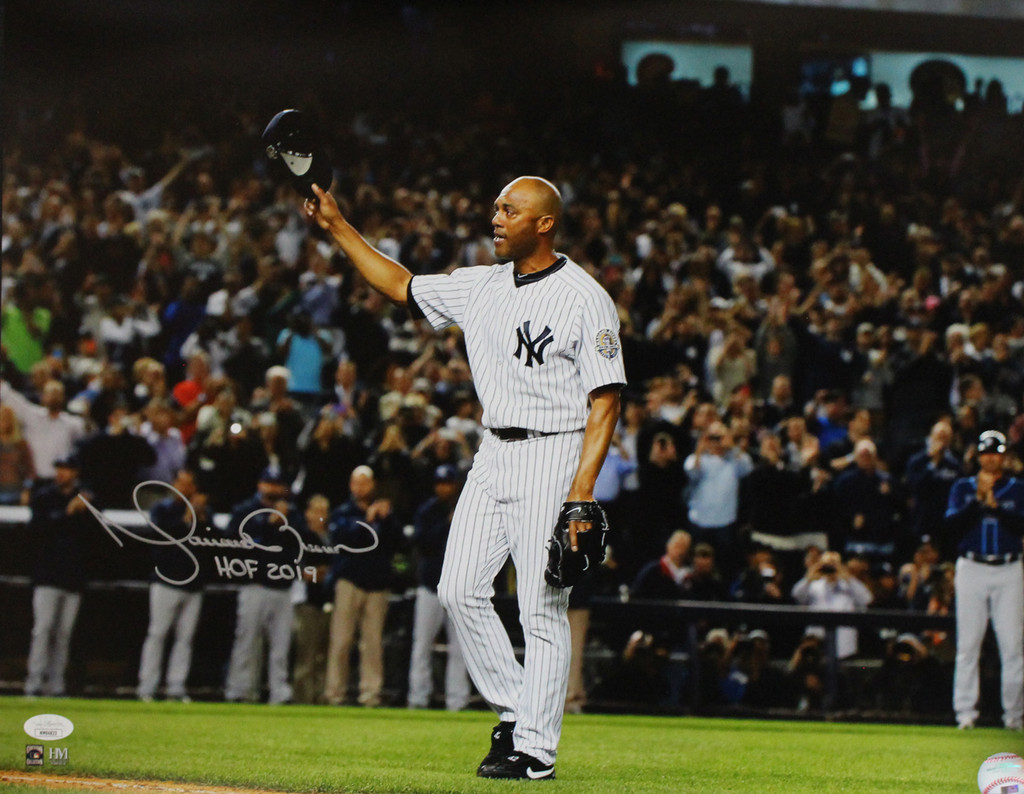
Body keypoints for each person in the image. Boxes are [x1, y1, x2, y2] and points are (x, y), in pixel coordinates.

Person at [307, 174, 624, 780]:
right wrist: (338, 226)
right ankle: (515, 708)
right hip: (492, 449)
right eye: (496, 206)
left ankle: (535, 750)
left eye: (511, 209)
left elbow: (606, 402)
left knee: (540, 607)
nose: (496, 217)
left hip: (553, 451)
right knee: (457, 589)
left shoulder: (585, 297)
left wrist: (581, 493)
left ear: (545, 223)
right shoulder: (481, 285)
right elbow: (399, 284)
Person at [944, 430, 1024, 731]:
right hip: (972, 566)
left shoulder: (1017, 488)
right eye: (986, 452)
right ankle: (965, 714)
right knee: (968, 643)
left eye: (996, 452)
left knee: (1013, 645)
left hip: (1008, 567)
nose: (991, 457)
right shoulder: (963, 487)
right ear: (978, 456)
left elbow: (1019, 527)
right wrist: (978, 501)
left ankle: (1014, 717)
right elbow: (951, 527)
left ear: (1004, 456)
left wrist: (993, 506)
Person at [223, 466, 308, 705]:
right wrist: (268, 525)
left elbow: (301, 542)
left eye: (278, 484)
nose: (274, 488)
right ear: (260, 484)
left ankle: (278, 691)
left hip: (282, 586)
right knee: (247, 640)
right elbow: (235, 542)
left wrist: (284, 522)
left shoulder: (292, 513)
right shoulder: (245, 511)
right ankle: (240, 690)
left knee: (281, 645)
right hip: (255, 584)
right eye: (269, 483)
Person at [324, 465, 400, 707]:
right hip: (349, 582)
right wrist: (367, 520)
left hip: (377, 584)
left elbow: (400, 542)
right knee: (341, 641)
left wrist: (386, 519)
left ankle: (370, 695)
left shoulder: (385, 512)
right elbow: (341, 539)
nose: (360, 488)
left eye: (365, 483)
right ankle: (334, 693)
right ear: (350, 485)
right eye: (356, 483)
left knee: (373, 643)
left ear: (373, 485)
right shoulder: (343, 512)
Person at [24, 455, 94, 696]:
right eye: (59, 469)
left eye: (66, 470)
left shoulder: (87, 500)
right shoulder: (45, 497)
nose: (61, 474)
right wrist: (68, 512)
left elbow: (95, 537)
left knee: (63, 634)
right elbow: (37, 531)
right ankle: (33, 682)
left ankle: (56, 684)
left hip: (73, 576)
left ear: (75, 473)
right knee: (42, 629)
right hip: (47, 574)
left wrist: (84, 511)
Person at [136, 468, 208, 702]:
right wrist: (186, 518)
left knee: (185, 638)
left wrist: (201, 517)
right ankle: (147, 686)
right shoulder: (163, 509)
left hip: (193, 584)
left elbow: (214, 541)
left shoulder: (203, 513)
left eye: (188, 484)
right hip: (166, 579)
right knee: (158, 633)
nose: (184, 488)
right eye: (180, 483)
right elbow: (160, 536)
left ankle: (176, 686)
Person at [406, 464, 471, 712]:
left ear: (454, 485)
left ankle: (457, 700)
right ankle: (418, 698)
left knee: (460, 649)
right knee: (421, 645)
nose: (444, 487)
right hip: (430, 587)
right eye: (440, 483)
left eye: (448, 483)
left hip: (457, 589)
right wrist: (447, 523)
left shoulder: (466, 509)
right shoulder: (428, 511)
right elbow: (422, 543)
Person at [290, 494, 333, 705]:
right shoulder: (300, 537)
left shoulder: (331, 537)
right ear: (307, 513)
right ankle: (302, 700)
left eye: (324, 511)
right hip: (307, 602)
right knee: (306, 655)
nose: (320, 515)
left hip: (328, 600)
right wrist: (315, 572)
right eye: (316, 510)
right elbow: (295, 569)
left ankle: (320, 697)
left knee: (324, 656)